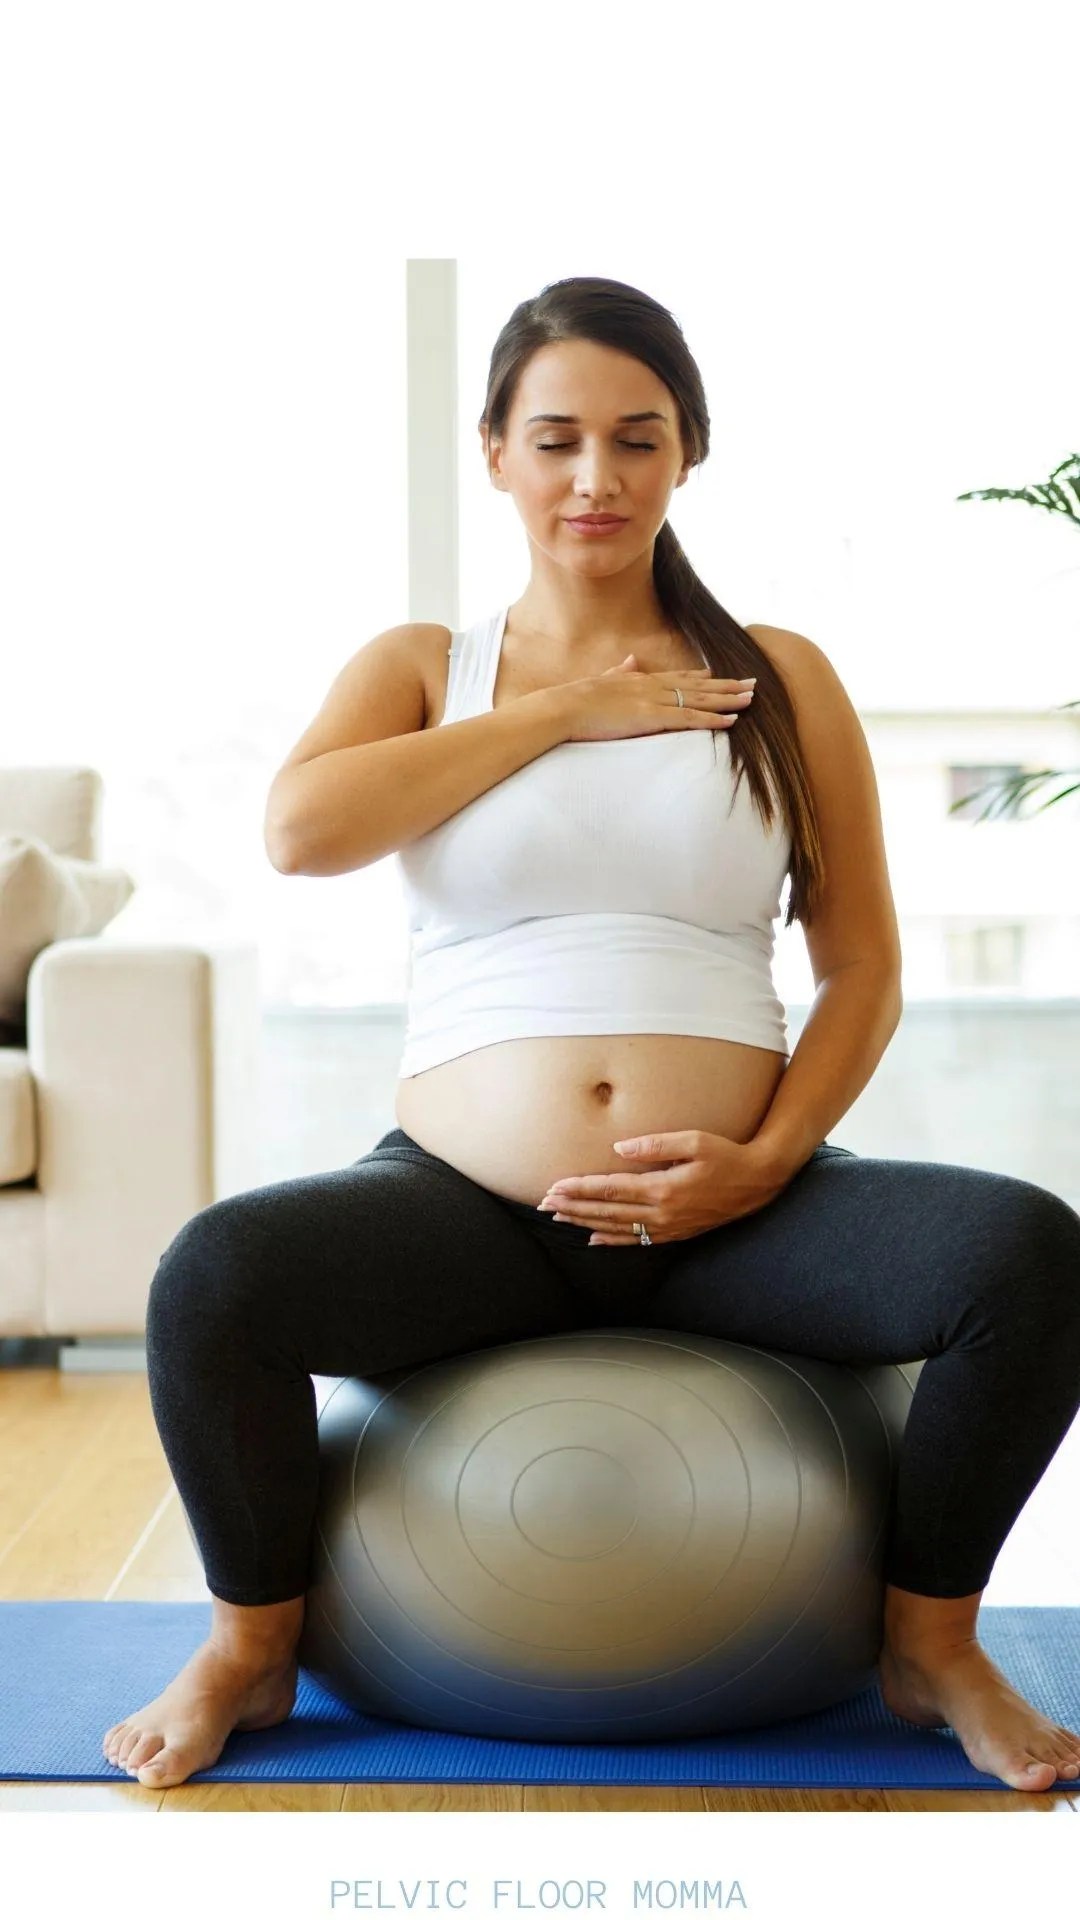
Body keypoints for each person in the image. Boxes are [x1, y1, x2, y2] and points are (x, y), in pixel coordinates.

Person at [102, 275, 1080, 1794]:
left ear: (690, 452)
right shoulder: (426, 667)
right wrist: (563, 712)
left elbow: (863, 967)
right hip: (467, 1211)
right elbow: (301, 832)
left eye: (638, 437)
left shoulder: (780, 677)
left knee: (1028, 1257)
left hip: (737, 1210)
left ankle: (929, 1642)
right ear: (495, 450)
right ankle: (250, 1647)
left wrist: (767, 1161)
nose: (595, 477)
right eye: (555, 438)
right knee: (215, 1279)